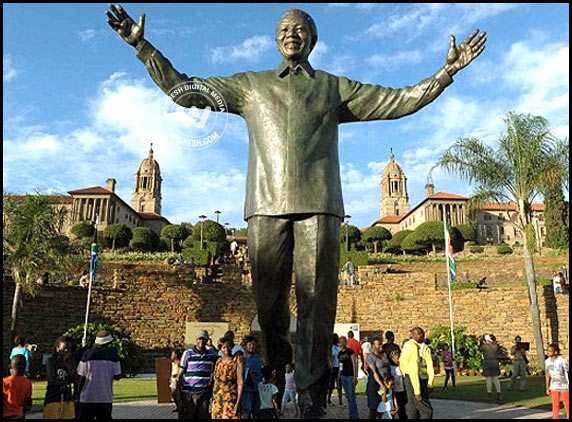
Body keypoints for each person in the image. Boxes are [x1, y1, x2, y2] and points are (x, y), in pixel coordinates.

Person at [106, 5, 486, 417]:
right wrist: (142, 46)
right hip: (266, 205)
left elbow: (396, 101)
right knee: (269, 305)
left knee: (318, 306)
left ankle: (309, 398)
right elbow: (187, 89)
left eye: (300, 29)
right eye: (285, 29)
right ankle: (277, 364)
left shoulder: (332, 87)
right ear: (276, 38)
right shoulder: (251, 85)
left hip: (319, 206)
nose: (292, 34)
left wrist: (445, 74)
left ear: (312, 39)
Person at [76, 330, 122, 419]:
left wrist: (78, 394)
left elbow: (81, 374)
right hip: (105, 397)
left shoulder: (87, 354)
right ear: (109, 342)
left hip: (87, 396)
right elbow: (117, 376)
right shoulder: (113, 355)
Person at [176, 329, 219, 419]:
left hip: (203, 393)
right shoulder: (188, 354)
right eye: (199, 339)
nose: (201, 341)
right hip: (189, 393)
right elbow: (179, 376)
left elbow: (223, 360)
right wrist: (179, 398)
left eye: (204, 339)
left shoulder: (211, 355)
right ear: (196, 340)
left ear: (207, 340)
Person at [43, 336, 80, 419]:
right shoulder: (51, 361)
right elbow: (52, 380)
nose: (66, 351)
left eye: (69, 349)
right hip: (53, 398)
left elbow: (77, 380)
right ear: (57, 348)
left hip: (67, 399)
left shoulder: (71, 362)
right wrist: (68, 382)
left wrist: (69, 366)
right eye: (64, 348)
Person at [400, 327, 433, 419]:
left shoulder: (406, 345)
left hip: (407, 378)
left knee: (412, 407)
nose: (423, 337)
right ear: (415, 335)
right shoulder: (414, 348)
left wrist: (404, 375)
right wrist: (417, 390)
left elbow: (401, 362)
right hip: (415, 379)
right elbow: (414, 369)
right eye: (421, 335)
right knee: (427, 410)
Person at [211, 339, 244, 419]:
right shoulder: (218, 361)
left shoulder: (236, 361)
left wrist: (237, 403)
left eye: (228, 347)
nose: (226, 349)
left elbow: (240, 383)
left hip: (230, 399)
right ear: (220, 349)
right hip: (218, 399)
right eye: (224, 347)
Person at [365, 337, 390, 419]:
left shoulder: (384, 355)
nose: (381, 346)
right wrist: (382, 385)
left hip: (386, 383)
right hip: (375, 384)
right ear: (373, 346)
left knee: (384, 409)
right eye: (379, 344)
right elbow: (374, 372)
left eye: (381, 343)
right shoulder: (370, 357)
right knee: (374, 409)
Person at [3, 354, 33, 419]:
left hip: (6, 414)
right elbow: (28, 402)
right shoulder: (27, 383)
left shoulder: (5, 382)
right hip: (19, 415)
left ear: (10, 366)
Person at [545, 342, 569, 420]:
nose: (548, 352)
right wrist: (547, 387)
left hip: (564, 386)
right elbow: (548, 374)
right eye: (547, 350)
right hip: (554, 386)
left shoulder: (562, 361)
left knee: (567, 404)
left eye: (550, 351)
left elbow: (567, 372)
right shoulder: (547, 361)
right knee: (555, 404)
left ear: (556, 352)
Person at [337, 335, 359, 419]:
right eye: (340, 342)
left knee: (351, 397)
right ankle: (352, 415)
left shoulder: (350, 351)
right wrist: (339, 376)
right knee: (348, 396)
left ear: (346, 343)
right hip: (343, 376)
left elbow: (354, 364)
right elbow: (340, 365)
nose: (342, 343)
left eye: (343, 341)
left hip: (350, 376)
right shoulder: (339, 354)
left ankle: (354, 416)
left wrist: (354, 376)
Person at [242, 335, 264, 419]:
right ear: (246, 346)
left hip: (257, 387)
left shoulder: (258, 358)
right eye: (250, 344)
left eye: (254, 344)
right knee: (247, 409)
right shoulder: (243, 358)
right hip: (246, 388)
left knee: (256, 409)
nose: (252, 347)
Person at [478, 333, 502, 401]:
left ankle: (489, 394)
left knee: (488, 379)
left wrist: (480, 342)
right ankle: (499, 394)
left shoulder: (484, 347)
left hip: (487, 362)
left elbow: (479, 348)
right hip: (495, 362)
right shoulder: (496, 346)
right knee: (496, 379)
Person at [388, 349, 407, 420]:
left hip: (402, 390)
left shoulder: (402, 366)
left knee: (402, 410)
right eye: (396, 357)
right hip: (394, 391)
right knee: (394, 409)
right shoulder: (390, 368)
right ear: (392, 358)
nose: (398, 359)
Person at [328, 333, 343, 406]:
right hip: (333, 367)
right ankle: (328, 400)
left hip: (339, 366)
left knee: (339, 383)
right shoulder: (331, 348)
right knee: (331, 384)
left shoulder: (338, 347)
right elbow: (331, 357)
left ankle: (340, 401)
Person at [169, 348, 183, 413]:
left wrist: (177, 375)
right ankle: (178, 406)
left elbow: (181, 370)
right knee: (173, 395)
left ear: (176, 354)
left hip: (177, 379)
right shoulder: (173, 362)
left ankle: (181, 406)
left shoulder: (179, 362)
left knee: (176, 394)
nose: (172, 355)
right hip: (173, 380)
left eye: (173, 354)